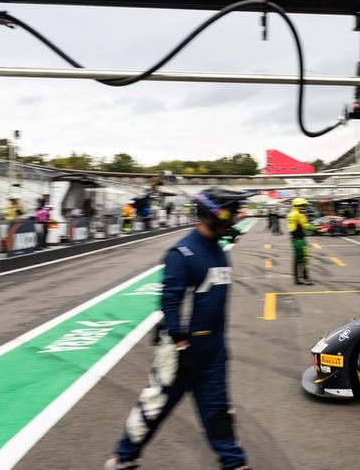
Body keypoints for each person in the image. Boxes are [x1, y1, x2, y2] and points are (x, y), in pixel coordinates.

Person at [106, 188, 251, 470]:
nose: (235, 219)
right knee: (153, 407)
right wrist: (179, 343)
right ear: (213, 214)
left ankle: (234, 463)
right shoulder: (181, 253)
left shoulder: (219, 251)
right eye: (231, 213)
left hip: (213, 350)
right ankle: (122, 459)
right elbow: (169, 302)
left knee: (219, 411)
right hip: (179, 350)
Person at [288, 197, 313, 285]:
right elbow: (306, 226)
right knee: (304, 259)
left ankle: (297, 279)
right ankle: (305, 278)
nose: (305, 207)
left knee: (297, 259)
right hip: (300, 240)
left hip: (294, 238)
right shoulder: (299, 214)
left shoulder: (291, 214)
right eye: (304, 205)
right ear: (298, 205)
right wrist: (317, 228)